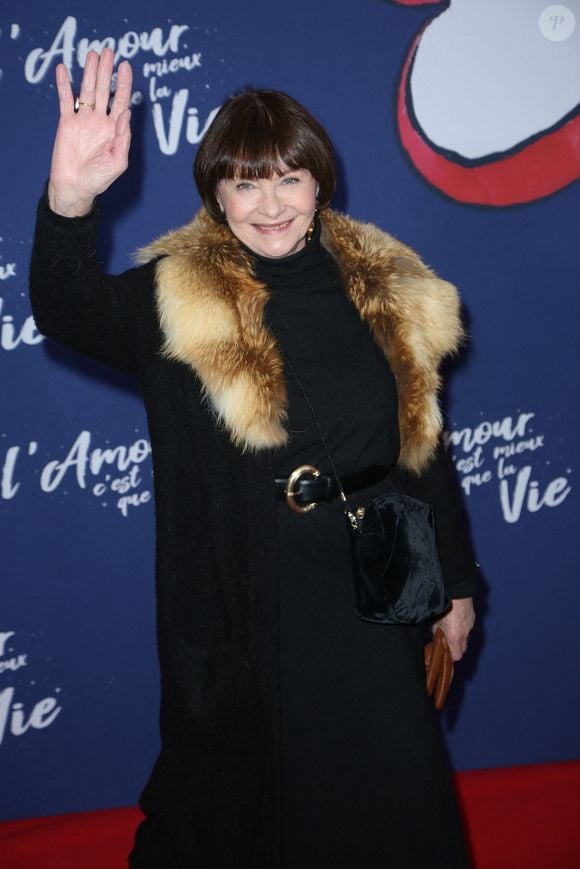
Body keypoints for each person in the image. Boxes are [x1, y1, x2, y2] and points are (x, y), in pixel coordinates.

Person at [30, 47, 479, 868]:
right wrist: (70, 198)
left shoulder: (385, 288)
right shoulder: (178, 299)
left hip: (375, 597)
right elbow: (65, 308)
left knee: (390, 808)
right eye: (245, 182)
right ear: (217, 197)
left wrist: (453, 583)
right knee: (253, 816)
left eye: (288, 179)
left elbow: (421, 449)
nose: (269, 204)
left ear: (318, 186)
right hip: (247, 605)